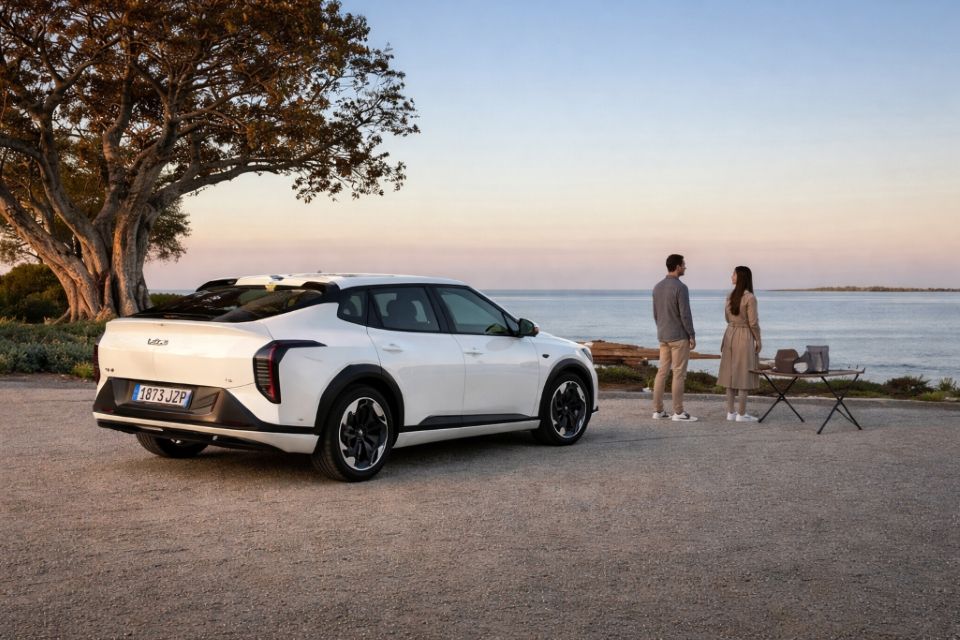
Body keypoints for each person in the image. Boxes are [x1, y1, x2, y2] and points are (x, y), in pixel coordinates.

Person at [651, 254, 697, 422]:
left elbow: (656, 314)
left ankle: (658, 410)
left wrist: (662, 329)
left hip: (663, 336)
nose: (685, 267)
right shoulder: (681, 287)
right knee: (679, 374)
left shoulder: (657, 287)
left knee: (662, 372)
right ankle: (678, 412)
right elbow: (685, 314)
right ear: (677, 266)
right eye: (683, 264)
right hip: (678, 337)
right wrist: (691, 334)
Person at [717, 265, 762, 422]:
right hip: (744, 335)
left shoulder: (729, 296)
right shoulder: (750, 297)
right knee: (744, 374)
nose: (731, 276)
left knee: (729, 375)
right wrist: (758, 340)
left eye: (734, 274)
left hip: (730, 334)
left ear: (740, 277)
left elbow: (726, 318)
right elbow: (754, 323)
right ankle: (742, 414)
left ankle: (731, 412)